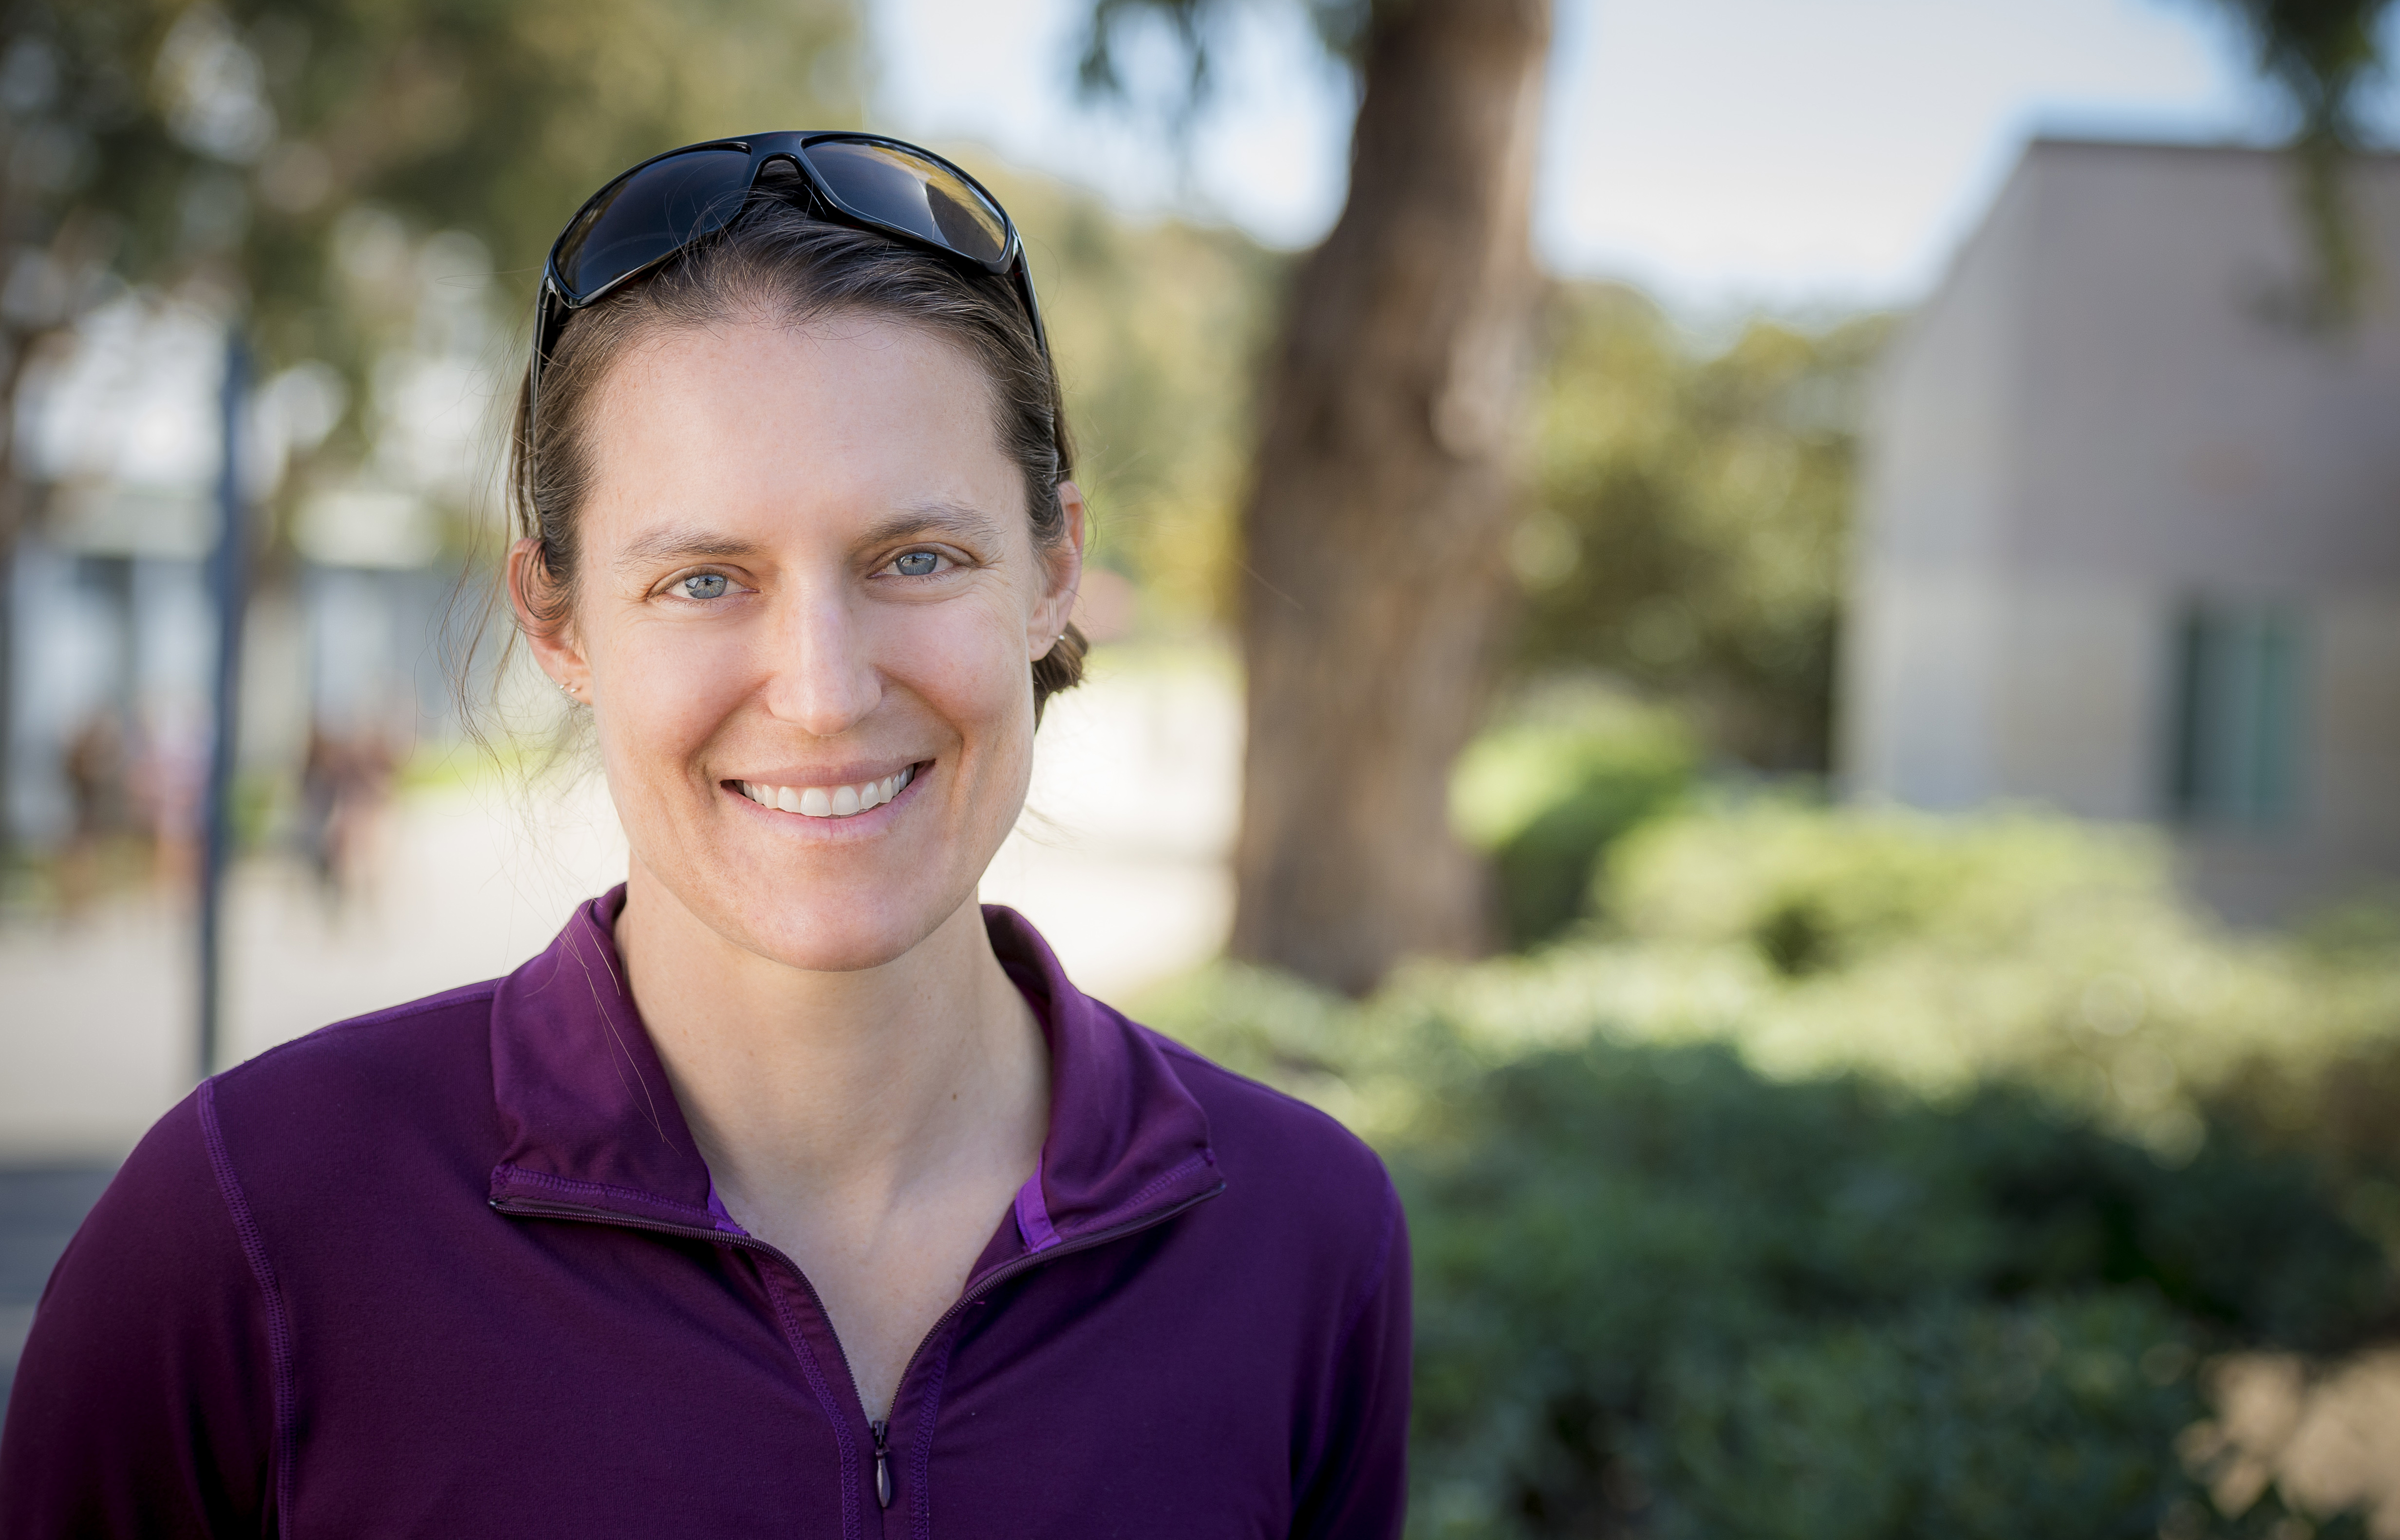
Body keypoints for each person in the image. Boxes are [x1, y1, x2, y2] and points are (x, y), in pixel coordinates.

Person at [0, 132, 1409, 1537]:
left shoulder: (1300, 1232)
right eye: (703, 579)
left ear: (1050, 570)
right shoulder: (254, 1226)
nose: (821, 691)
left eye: (917, 558)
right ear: (557, 622)